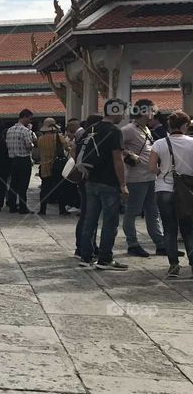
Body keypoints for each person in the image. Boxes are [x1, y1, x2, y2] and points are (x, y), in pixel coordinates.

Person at [78, 99, 130, 271]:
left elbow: (74, 149)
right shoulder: (114, 131)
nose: (123, 116)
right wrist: (123, 185)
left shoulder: (90, 128)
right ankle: (105, 259)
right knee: (109, 222)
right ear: (115, 111)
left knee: (90, 220)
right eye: (122, 112)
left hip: (90, 180)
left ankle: (86, 256)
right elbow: (118, 160)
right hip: (109, 182)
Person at [150, 111, 193, 278]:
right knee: (188, 229)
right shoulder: (191, 142)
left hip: (163, 189)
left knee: (169, 229)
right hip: (187, 191)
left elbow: (151, 168)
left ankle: (173, 265)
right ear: (184, 126)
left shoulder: (159, 144)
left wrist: (163, 173)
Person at [122, 99, 166, 257]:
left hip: (150, 176)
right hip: (136, 178)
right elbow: (117, 146)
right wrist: (128, 154)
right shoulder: (128, 129)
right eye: (152, 110)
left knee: (153, 212)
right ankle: (132, 244)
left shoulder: (146, 128)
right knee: (132, 212)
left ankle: (160, 243)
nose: (154, 113)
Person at [74, 115, 103, 259]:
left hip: (82, 179)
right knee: (90, 216)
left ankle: (84, 245)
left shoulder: (81, 139)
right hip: (91, 179)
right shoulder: (93, 139)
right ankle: (85, 247)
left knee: (87, 214)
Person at [36, 117, 71, 215]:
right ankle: (62, 209)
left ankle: (42, 210)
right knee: (60, 188)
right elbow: (67, 148)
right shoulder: (59, 137)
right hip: (57, 166)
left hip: (44, 167)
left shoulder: (40, 139)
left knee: (44, 189)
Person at [6, 109, 36, 213]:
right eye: (29, 119)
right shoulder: (25, 131)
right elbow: (28, 146)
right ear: (25, 117)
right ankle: (23, 207)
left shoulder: (9, 130)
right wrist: (33, 144)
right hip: (23, 159)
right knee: (23, 185)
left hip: (12, 160)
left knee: (13, 184)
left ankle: (12, 205)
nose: (30, 121)